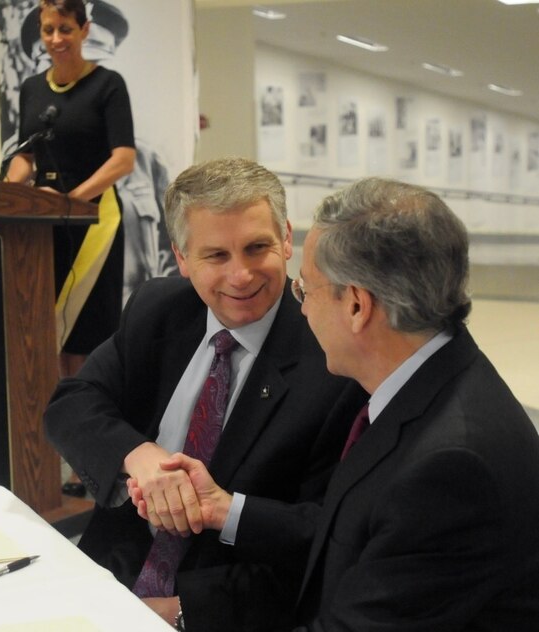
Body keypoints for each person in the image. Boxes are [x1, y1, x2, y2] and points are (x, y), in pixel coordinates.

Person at [139, 177, 539, 630]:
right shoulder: (428, 384)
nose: (302, 311)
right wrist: (222, 509)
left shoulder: (449, 467)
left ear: (356, 306)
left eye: (304, 290)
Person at [43, 157, 367, 631]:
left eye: (257, 248)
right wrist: (139, 455)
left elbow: (324, 534)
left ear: (286, 239)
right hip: (110, 575)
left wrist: (177, 611)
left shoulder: (334, 360)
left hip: (225, 606)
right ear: (181, 257)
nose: (241, 276)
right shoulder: (160, 308)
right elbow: (71, 403)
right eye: (216, 256)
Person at [4, 0, 136, 379]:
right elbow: (26, 154)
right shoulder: (32, 89)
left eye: (65, 29)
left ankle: (88, 417)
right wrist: (11, 191)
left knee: (85, 333)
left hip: (94, 220)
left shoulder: (108, 85)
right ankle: (55, 418)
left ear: (84, 31)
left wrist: (70, 200)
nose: (56, 38)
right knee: (47, 327)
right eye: (48, 30)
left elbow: (123, 159)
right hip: (43, 222)